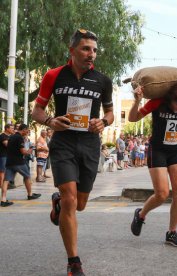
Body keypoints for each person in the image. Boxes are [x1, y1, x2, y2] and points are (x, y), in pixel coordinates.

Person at [32, 29, 114, 275]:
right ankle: (74, 261)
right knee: (70, 198)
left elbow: (109, 113)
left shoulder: (102, 80)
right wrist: (49, 121)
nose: (92, 54)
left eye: (94, 50)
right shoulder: (54, 75)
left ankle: (57, 203)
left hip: (89, 145)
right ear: (72, 50)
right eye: (86, 49)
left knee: (79, 204)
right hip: (64, 143)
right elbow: (36, 111)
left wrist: (104, 122)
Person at [129, 81, 177, 247]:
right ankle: (141, 214)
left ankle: (172, 233)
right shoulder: (158, 102)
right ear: (170, 99)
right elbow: (133, 118)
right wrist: (137, 100)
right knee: (162, 194)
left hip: (175, 151)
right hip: (157, 150)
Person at [1, 124, 41, 207]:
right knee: (27, 176)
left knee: (6, 180)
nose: (28, 132)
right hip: (19, 162)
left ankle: (3, 200)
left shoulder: (11, 137)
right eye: (27, 130)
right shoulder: (19, 138)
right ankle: (30, 194)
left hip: (9, 162)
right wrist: (30, 149)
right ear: (24, 129)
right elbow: (23, 152)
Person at [0, 124, 15, 191]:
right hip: (3, 156)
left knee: (7, 171)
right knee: (2, 171)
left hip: (9, 156)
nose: (13, 130)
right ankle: (1, 186)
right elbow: (7, 144)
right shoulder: (2, 136)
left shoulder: (11, 136)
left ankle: (7, 184)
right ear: (7, 129)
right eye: (11, 128)